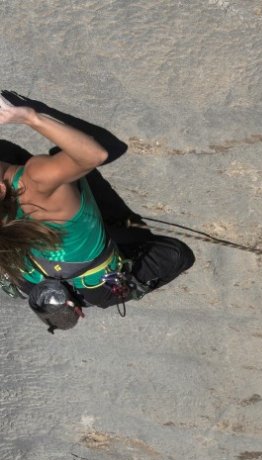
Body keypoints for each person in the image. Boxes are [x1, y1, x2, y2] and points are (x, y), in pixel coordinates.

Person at [0, 94, 194, 327]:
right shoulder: (36, 181)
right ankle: (91, 295)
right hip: (94, 283)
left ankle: (56, 296)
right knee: (177, 255)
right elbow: (93, 155)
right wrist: (30, 117)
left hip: (28, 274)